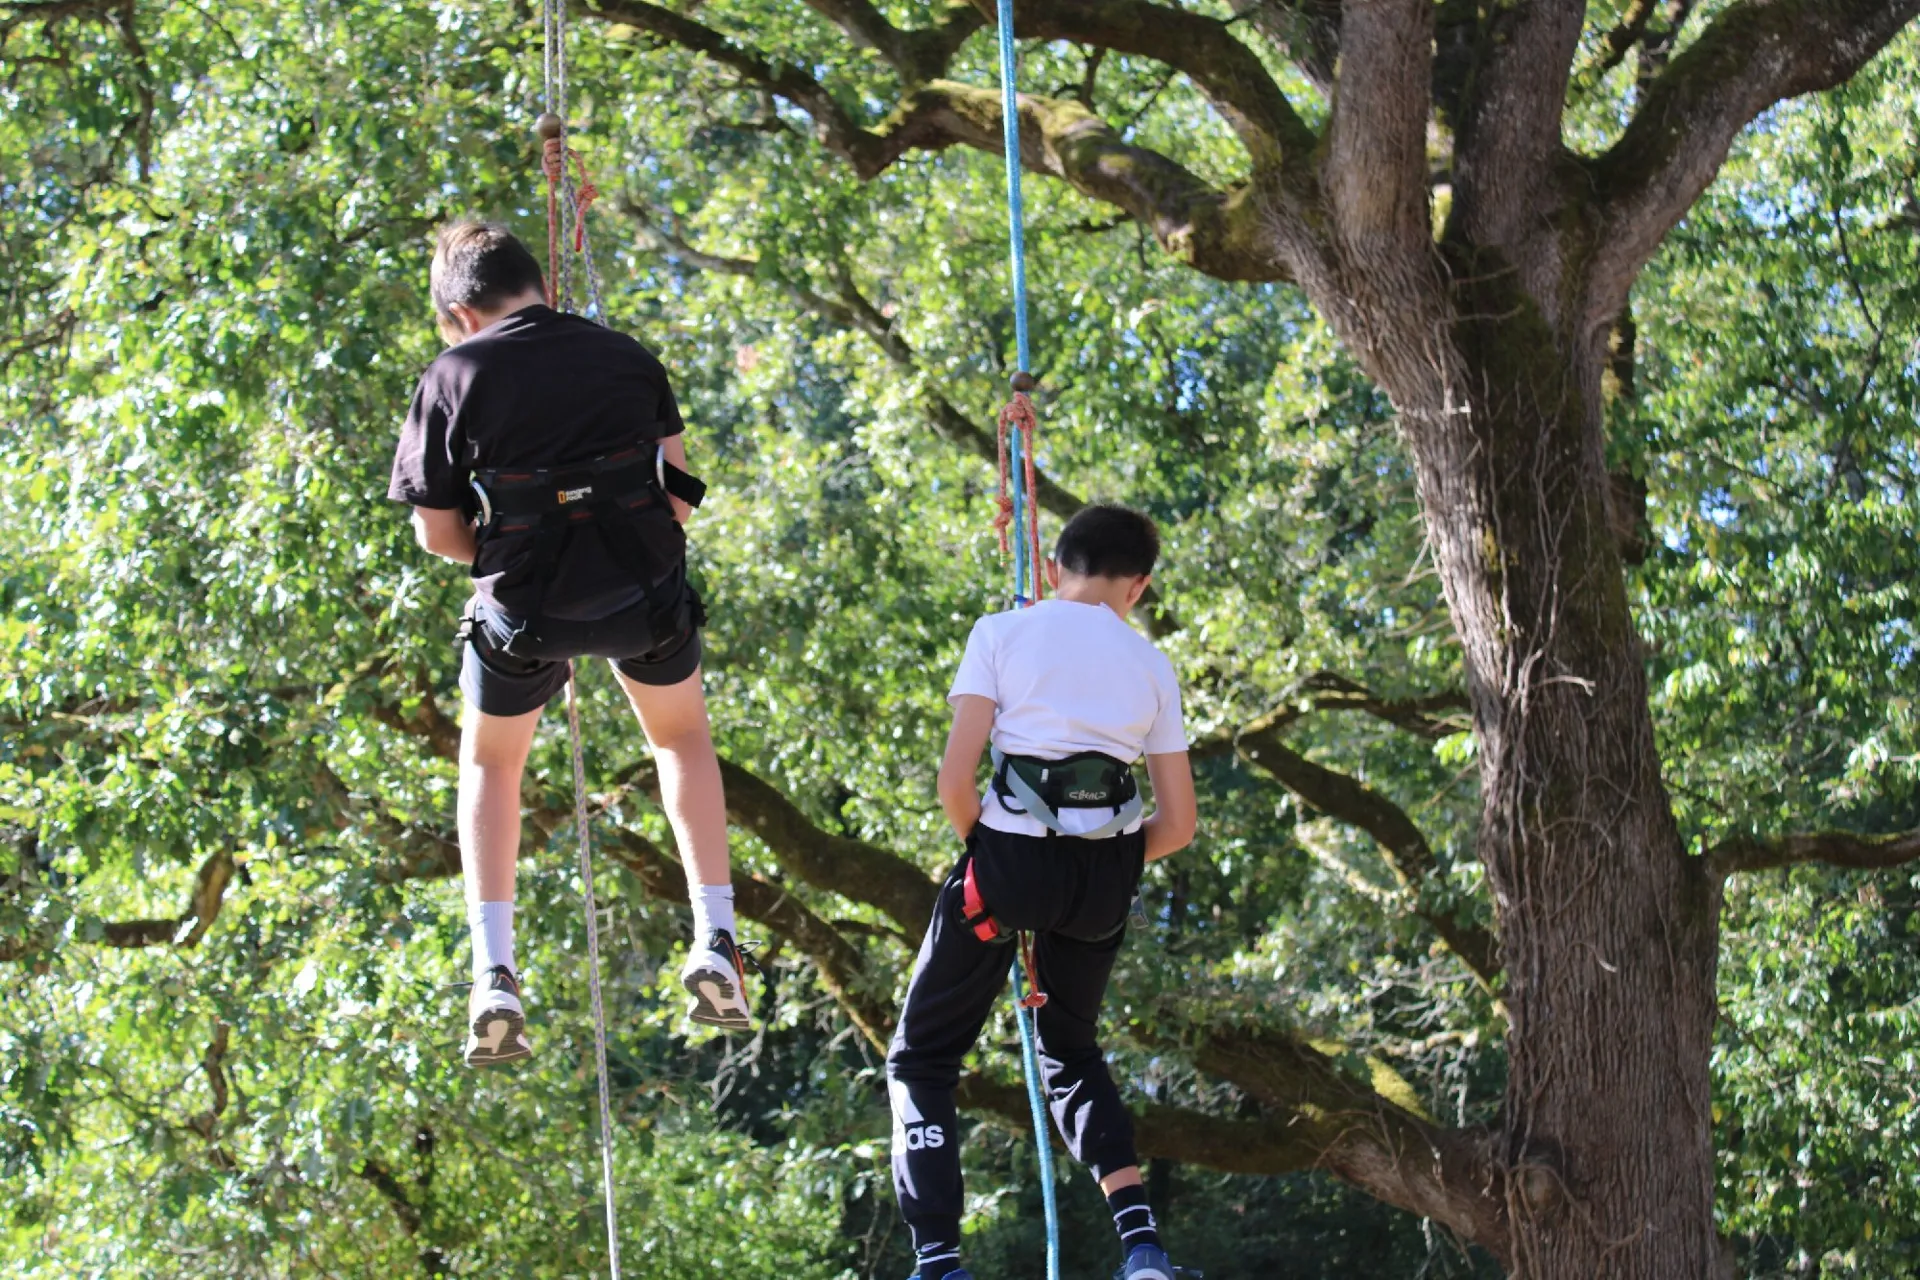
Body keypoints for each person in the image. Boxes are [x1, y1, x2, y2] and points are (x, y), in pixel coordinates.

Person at [388, 220, 751, 1068]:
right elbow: (679, 497)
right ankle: (716, 936)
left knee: (491, 766)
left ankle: (494, 973)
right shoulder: (627, 356)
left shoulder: (452, 376)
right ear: (536, 284)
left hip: (523, 611)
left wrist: (519, 545)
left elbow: (438, 536)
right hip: (643, 598)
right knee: (682, 739)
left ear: (458, 312)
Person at [886, 503, 1200, 1280]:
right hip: (1103, 888)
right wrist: (1113, 866)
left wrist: (991, 858)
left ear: (1055, 568)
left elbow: (954, 782)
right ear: (1140, 587)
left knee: (923, 1060)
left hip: (1006, 872)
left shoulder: (1001, 633)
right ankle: (1143, 1249)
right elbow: (1180, 822)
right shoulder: (1151, 664)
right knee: (1071, 1049)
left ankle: (939, 1259)